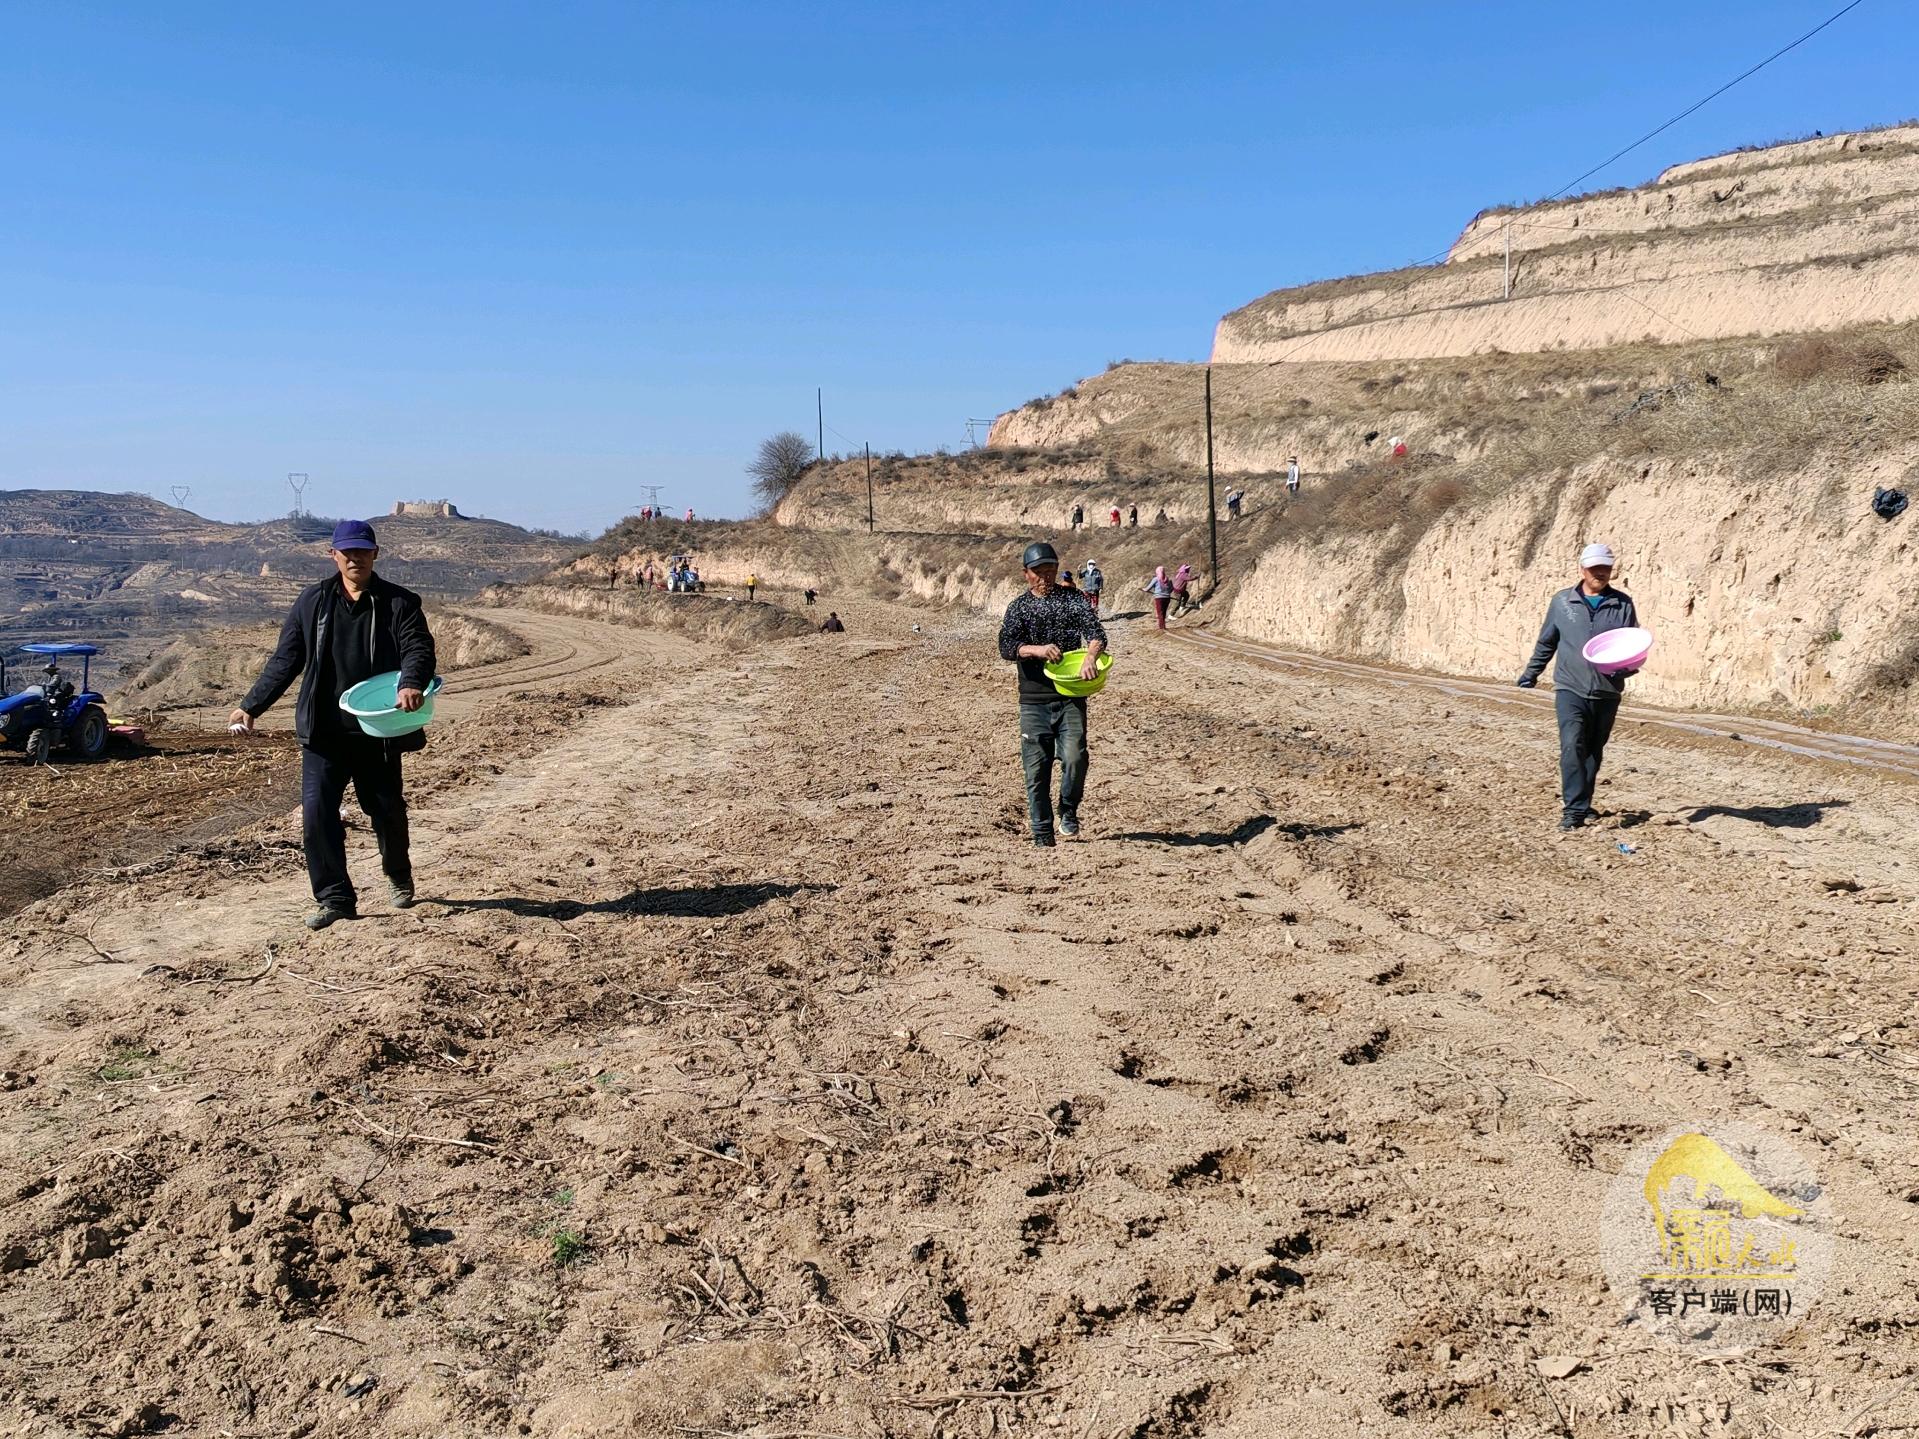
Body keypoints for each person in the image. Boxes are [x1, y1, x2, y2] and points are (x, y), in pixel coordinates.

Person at [230, 520, 436, 931]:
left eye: (363, 551)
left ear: (375, 554)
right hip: (324, 731)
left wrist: (412, 682)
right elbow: (286, 659)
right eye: (347, 552)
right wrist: (251, 705)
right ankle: (335, 897)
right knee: (317, 815)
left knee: (386, 810)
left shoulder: (399, 602)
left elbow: (418, 647)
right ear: (334, 555)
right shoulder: (313, 601)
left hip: (375, 730)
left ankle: (397, 872)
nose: (355, 558)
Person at [1517, 542, 1641, 831]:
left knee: (1593, 750)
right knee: (1572, 744)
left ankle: (1583, 804)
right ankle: (1573, 810)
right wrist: (1532, 673)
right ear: (1583, 569)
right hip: (1569, 687)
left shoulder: (1623, 603)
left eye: (1605, 568)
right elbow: (1547, 640)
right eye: (1595, 567)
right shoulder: (1563, 602)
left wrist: (1627, 667)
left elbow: (1631, 644)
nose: (1600, 573)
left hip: (1607, 689)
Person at [998, 541, 1106, 847]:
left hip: (1070, 694)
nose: (1045, 577)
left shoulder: (1073, 600)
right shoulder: (1019, 607)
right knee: (1036, 771)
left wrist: (1090, 657)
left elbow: (1097, 634)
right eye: (1039, 572)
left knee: (1076, 757)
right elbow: (1006, 646)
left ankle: (1068, 810)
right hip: (1033, 701)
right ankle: (1042, 834)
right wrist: (1037, 650)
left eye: (1050, 571)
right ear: (1026, 574)